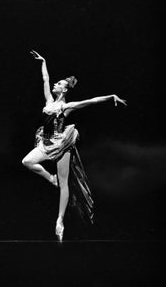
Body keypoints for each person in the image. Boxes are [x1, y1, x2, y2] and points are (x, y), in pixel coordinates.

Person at [22, 50, 127, 242]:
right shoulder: (49, 101)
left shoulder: (65, 107)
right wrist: (43, 61)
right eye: (56, 82)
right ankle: (50, 178)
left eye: (58, 83)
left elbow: (90, 101)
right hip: (46, 142)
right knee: (27, 161)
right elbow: (45, 79)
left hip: (61, 143)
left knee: (64, 182)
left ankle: (60, 221)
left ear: (64, 90)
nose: (54, 84)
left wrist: (111, 96)